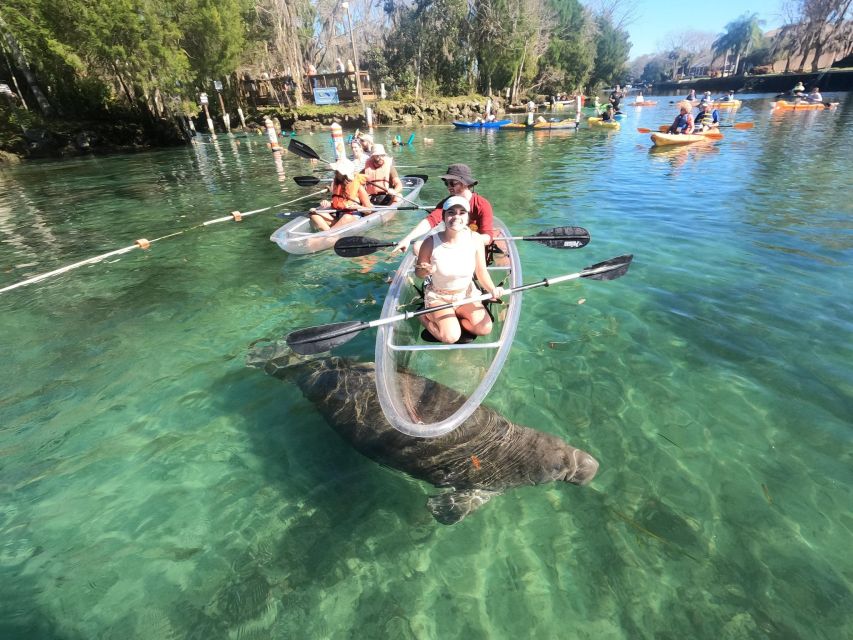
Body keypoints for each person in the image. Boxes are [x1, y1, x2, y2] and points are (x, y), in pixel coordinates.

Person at [415, 196, 504, 344]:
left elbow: (481, 272)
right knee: (451, 337)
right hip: (439, 297)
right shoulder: (430, 242)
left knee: (485, 328)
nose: (456, 217)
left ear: (468, 217)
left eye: (462, 212)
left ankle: (454, 320)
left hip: (466, 294)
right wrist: (425, 271)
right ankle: (423, 316)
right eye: (451, 212)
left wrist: (492, 289)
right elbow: (419, 274)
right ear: (443, 216)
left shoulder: (475, 239)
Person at [392, 163, 494, 256]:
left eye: (453, 183)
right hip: (450, 243)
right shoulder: (447, 203)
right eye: (447, 183)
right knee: (417, 247)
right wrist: (408, 238)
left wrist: (463, 239)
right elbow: (430, 220)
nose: (449, 187)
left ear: (465, 184)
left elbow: (488, 237)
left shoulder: (482, 204)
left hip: (473, 247)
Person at [309, 158, 372, 231]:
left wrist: (358, 207)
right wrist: (328, 204)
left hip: (352, 218)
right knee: (313, 214)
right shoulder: (336, 184)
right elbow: (337, 204)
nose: (335, 172)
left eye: (337, 171)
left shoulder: (359, 187)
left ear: (344, 174)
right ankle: (330, 234)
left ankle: (329, 235)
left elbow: (369, 210)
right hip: (339, 217)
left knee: (346, 217)